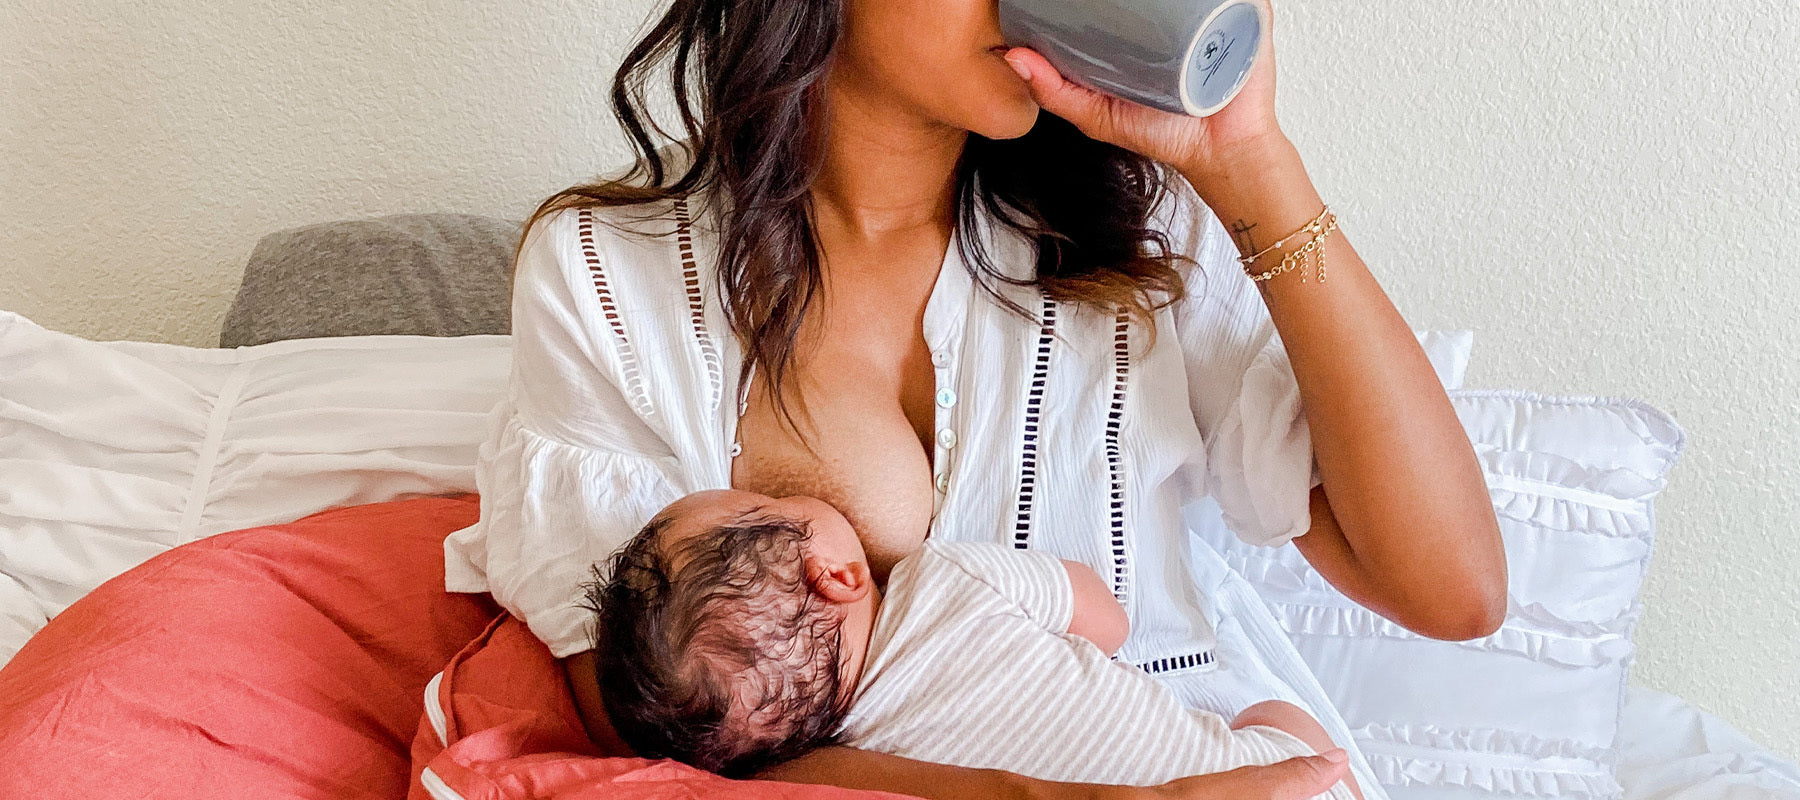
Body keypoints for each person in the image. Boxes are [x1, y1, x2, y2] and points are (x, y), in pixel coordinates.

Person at [443, 0, 1508, 797]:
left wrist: (1252, 162)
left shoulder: (1138, 231)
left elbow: (1454, 589)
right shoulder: (607, 274)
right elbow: (672, 740)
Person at [579, 487, 1364, 800]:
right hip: (1266, 780)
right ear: (838, 575)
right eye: (763, 497)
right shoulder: (945, 579)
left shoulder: (847, 771)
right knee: (1270, 709)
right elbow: (1109, 621)